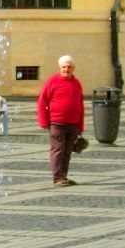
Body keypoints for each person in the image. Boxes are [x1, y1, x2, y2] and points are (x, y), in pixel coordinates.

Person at [37, 55, 84, 187]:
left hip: (73, 124)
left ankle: (64, 176)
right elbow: (42, 102)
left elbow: (80, 105)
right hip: (56, 123)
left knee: (67, 151)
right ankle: (57, 177)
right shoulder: (52, 81)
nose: (66, 69)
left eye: (69, 67)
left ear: (73, 68)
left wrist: (81, 126)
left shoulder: (76, 83)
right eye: (64, 67)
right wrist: (44, 121)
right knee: (58, 150)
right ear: (60, 67)